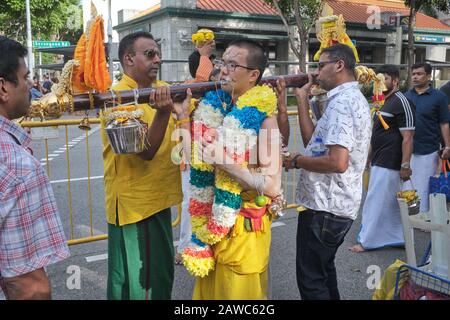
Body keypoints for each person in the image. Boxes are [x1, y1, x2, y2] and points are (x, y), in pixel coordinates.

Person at [175, 38, 282, 299]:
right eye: (223, 62)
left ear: (253, 75)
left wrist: (228, 165)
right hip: (213, 221)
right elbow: (193, 159)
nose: (223, 70)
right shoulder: (218, 110)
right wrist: (182, 118)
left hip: (244, 227)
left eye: (233, 65)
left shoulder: (265, 122)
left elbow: (271, 186)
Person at [283, 44, 372, 300]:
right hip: (333, 205)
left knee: (312, 282)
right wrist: (301, 100)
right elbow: (316, 145)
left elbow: (336, 162)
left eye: (321, 65)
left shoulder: (342, 103)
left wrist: (297, 161)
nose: (317, 72)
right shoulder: (345, 99)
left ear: (340, 65)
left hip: (326, 207)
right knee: (322, 273)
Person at [102, 31, 184, 300]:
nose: (157, 59)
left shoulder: (161, 89)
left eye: (158, 53)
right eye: (150, 54)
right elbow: (144, 152)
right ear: (128, 59)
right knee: (138, 284)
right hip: (135, 208)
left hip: (160, 201)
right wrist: (163, 112)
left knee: (159, 278)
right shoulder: (116, 98)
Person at [0, 36, 70, 299]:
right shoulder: (18, 167)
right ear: (3, 88)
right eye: (26, 76)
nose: (32, 84)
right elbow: (28, 286)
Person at [349, 64, 415, 253]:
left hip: (392, 162)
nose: (381, 82)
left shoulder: (403, 101)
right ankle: (399, 238)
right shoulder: (382, 101)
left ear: (395, 81)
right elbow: (375, 135)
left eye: (385, 79)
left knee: (375, 201)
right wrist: (367, 159)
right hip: (379, 160)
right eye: (379, 78)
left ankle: (367, 242)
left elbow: (408, 137)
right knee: (389, 204)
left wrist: (405, 165)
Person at [175, 39, 215, 265]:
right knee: (192, 202)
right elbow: (201, 79)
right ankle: (183, 248)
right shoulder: (189, 89)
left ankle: (203, 243)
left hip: (207, 157)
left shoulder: (211, 91)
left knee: (203, 202)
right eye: (210, 63)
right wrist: (203, 55)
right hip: (189, 157)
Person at [405, 62, 450, 216]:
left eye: (419, 74)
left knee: (424, 186)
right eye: (413, 74)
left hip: (428, 148)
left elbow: (444, 123)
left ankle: (423, 217)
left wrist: (448, 146)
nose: (415, 77)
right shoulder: (406, 96)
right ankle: (406, 217)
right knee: (407, 185)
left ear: (429, 76)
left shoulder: (439, 97)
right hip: (407, 148)